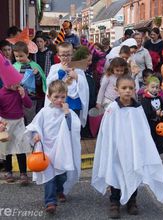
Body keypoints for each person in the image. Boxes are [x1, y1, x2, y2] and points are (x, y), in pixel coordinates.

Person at [92, 75, 163, 219]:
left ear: (135, 89)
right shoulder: (112, 108)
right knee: (116, 174)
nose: (127, 91)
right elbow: (106, 131)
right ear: (117, 90)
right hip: (116, 150)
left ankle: (132, 201)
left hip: (133, 149)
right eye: (124, 88)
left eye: (130, 88)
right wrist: (111, 147)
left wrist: (142, 145)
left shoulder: (137, 108)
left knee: (133, 172)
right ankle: (114, 202)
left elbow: (143, 129)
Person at [25, 80, 81, 214]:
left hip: (61, 148)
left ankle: (60, 190)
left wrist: (67, 113)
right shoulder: (44, 112)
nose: (59, 100)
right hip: (46, 149)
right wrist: (36, 134)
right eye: (56, 97)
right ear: (49, 97)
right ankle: (50, 202)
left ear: (66, 96)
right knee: (49, 176)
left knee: (62, 175)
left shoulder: (68, 112)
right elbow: (34, 125)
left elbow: (72, 128)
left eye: (62, 97)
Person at [0, 53, 32, 185]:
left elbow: (29, 105)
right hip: (6, 122)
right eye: (15, 83)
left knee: (21, 148)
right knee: (7, 148)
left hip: (19, 122)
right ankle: (9, 171)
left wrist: (24, 95)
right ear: (7, 83)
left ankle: (23, 173)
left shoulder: (20, 90)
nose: (18, 84)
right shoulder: (1, 94)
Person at [46, 42, 89, 127]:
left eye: (68, 55)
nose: (65, 57)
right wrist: (61, 72)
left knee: (73, 125)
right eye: (63, 55)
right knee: (60, 125)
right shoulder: (54, 68)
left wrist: (77, 77)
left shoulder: (78, 68)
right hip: (59, 101)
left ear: (72, 54)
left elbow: (85, 85)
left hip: (74, 102)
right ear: (58, 55)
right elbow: (49, 83)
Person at [13, 41, 47, 123]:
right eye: (16, 56)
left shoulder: (35, 66)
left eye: (21, 56)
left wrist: (37, 74)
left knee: (31, 118)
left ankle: (30, 134)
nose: (18, 59)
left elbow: (40, 83)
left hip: (32, 97)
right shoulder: (14, 66)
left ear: (27, 54)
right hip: (18, 97)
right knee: (19, 119)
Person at [141, 75, 163, 154]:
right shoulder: (145, 99)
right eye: (152, 87)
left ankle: (158, 153)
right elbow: (145, 113)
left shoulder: (159, 97)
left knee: (160, 142)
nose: (155, 89)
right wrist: (154, 113)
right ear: (147, 87)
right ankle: (152, 155)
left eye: (157, 87)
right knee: (151, 141)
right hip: (150, 124)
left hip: (159, 123)